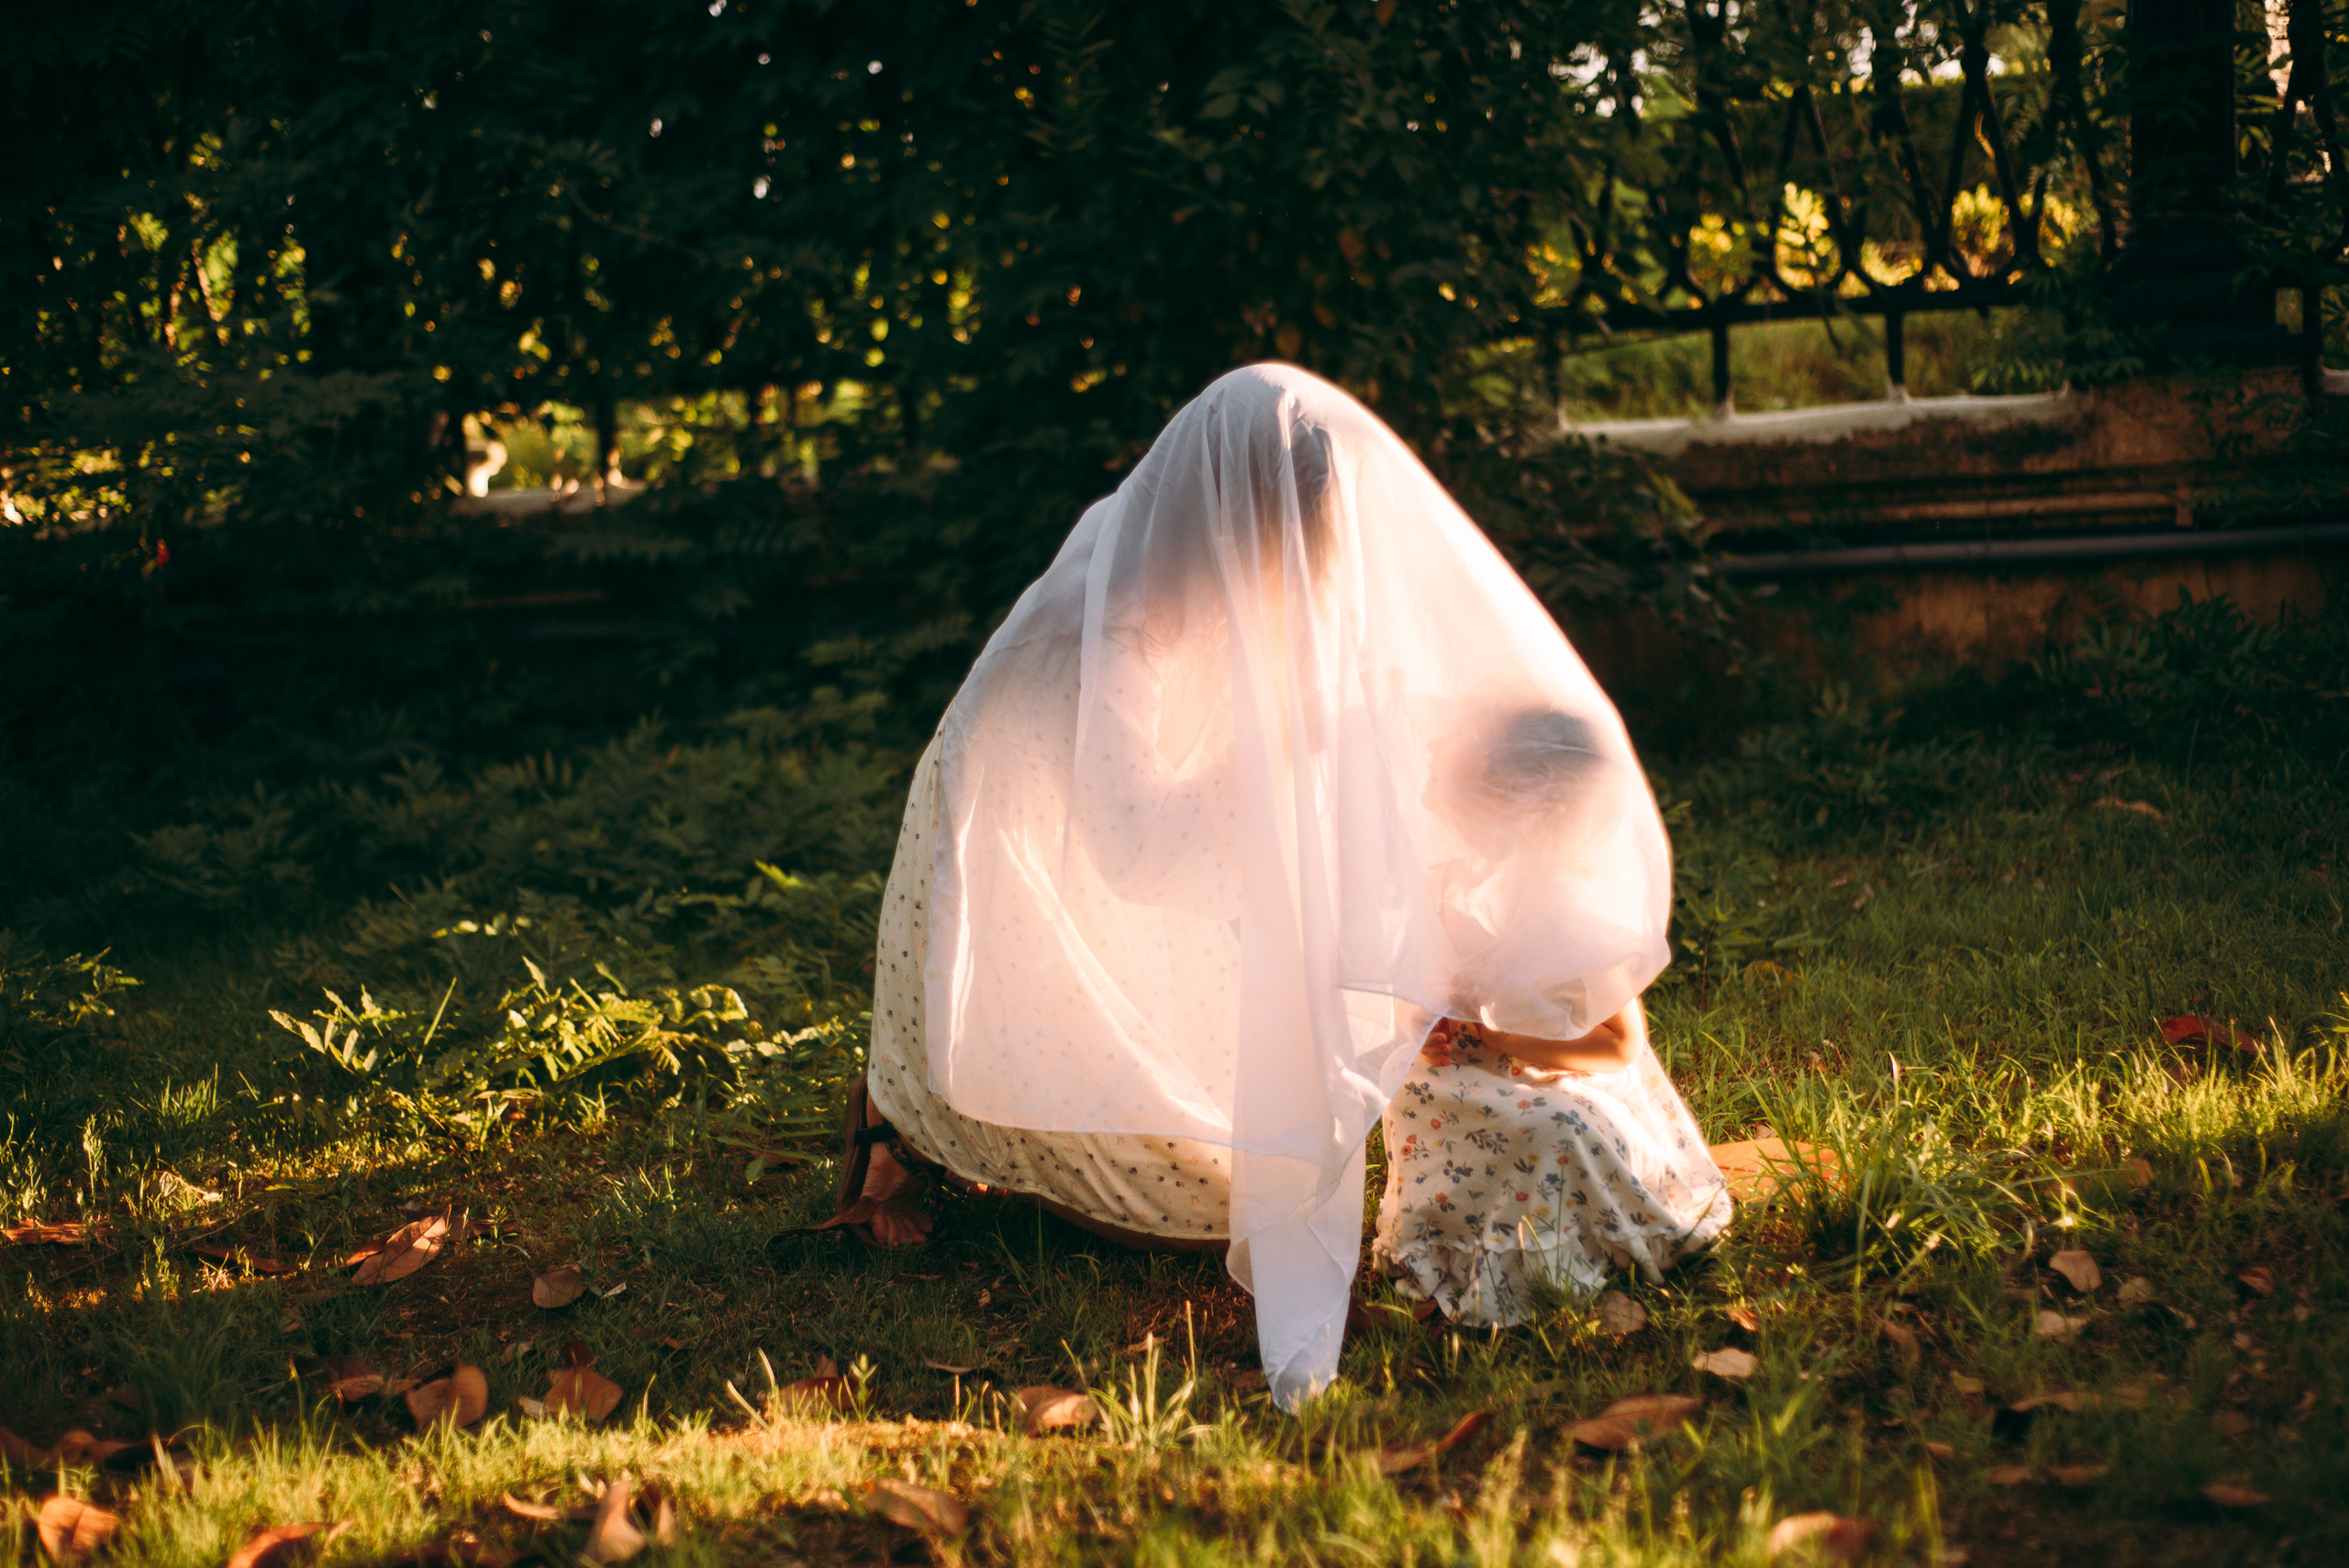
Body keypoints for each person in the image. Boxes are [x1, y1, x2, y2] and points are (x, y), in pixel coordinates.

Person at [823, 363, 1728, 1406]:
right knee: (1187, 1202)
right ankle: (897, 1119)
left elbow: (1356, 732)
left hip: (1165, 849)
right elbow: (1137, 848)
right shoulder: (1110, 616)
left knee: (1262, 1158)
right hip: (1040, 863)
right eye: (1279, 540)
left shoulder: (1256, 573)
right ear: (1228, 521)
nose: (1295, 569)